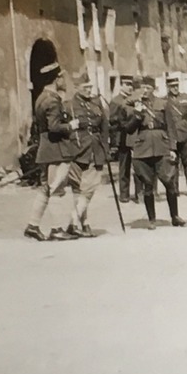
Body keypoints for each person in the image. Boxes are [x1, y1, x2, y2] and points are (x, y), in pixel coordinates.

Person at [23, 62, 81, 241]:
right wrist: (70, 126)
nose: (65, 80)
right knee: (56, 189)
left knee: (45, 188)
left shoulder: (41, 97)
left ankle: (33, 225)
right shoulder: (53, 100)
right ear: (56, 79)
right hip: (56, 151)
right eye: (62, 77)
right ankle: (56, 229)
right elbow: (54, 126)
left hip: (45, 149)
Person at [124, 76, 187, 231]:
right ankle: (152, 219)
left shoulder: (163, 104)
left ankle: (175, 216)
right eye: (142, 87)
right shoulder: (133, 105)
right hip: (143, 147)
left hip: (162, 145)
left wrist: (172, 148)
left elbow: (171, 127)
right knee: (148, 185)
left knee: (169, 182)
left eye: (148, 87)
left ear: (154, 89)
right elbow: (129, 129)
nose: (145, 90)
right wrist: (137, 115)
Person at [65, 70, 111, 237]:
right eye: (85, 87)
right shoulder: (68, 105)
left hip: (95, 149)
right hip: (77, 150)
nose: (88, 90)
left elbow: (105, 127)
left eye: (89, 86)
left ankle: (73, 220)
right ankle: (84, 223)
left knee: (90, 187)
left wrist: (105, 148)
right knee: (78, 188)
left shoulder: (96, 103)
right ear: (76, 87)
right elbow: (63, 129)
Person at [109, 75, 138, 203]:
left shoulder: (135, 100)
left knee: (138, 166)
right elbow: (112, 121)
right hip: (123, 137)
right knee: (124, 166)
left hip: (135, 136)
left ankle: (139, 192)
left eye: (131, 85)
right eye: (127, 84)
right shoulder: (116, 101)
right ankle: (124, 194)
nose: (130, 87)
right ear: (121, 85)